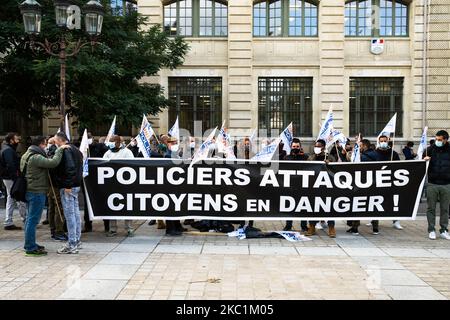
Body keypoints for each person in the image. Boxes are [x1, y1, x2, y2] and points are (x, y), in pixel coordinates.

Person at [20, 136, 69, 256]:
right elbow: (53, 163)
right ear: (40, 145)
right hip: (36, 191)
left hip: (31, 190)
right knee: (33, 220)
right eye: (45, 144)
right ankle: (30, 247)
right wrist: (60, 149)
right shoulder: (35, 157)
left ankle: (30, 243)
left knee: (30, 219)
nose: (46, 147)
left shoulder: (27, 154)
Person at [53, 132, 84, 254]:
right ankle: (76, 240)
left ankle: (72, 244)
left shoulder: (66, 150)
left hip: (68, 186)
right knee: (75, 213)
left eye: (55, 141)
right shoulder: (75, 149)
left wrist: (67, 184)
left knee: (70, 215)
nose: (55, 143)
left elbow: (70, 168)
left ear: (60, 141)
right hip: (74, 185)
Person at [103, 135, 135, 237]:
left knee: (127, 206)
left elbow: (132, 166)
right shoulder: (108, 153)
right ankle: (113, 229)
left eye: (113, 142)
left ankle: (129, 228)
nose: (111, 144)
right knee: (113, 206)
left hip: (125, 185)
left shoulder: (127, 152)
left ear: (118, 143)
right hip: (112, 185)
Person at [306, 139, 337, 238]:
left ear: (323, 147)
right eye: (316, 146)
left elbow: (336, 167)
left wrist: (329, 163)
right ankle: (312, 226)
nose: (317, 148)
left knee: (329, 207)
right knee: (313, 207)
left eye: (319, 146)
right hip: (314, 186)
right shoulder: (311, 157)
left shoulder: (329, 157)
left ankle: (331, 227)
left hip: (327, 187)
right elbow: (306, 166)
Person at [347, 139, 379, 235]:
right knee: (373, 205)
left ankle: (355, 227)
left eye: (360, 146)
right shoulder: (375, 154)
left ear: (364, 146)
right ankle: (375, 228)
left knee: (357, 204)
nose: (358, 148)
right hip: (372, 184)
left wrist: (352, 156)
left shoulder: (363, 157)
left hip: (361, 183)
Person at [372, 135, 403, 232]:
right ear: (378, 142)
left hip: (390, 181)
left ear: (388, 141)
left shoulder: (393, 154)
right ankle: (374, 220)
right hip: (377, 181)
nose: (383, 142)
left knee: (393, 201)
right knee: (376, 201)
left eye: (385, 141)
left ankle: (396, 220)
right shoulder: (374, 153)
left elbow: (399, 166)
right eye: (381, 141)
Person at [423, 130, 450, 240]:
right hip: (432, 183)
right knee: (431, 208)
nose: (437, 141)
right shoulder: (429, 150)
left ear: (445, 140)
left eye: (439, 140)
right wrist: (424, 160)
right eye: (436, 139)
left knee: (445, 209)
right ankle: (431, 230)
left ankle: (444, 230)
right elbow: (420, 164)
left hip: (446, 184)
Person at [1, 132, 27, 230]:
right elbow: (11, 165)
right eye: (16, 139)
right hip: (11, 178)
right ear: (11, 140)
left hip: (8, 178)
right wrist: (16, 178)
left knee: (11, 198)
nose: (18, 141)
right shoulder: (8, 150)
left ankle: (8, 221)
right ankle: (26, 219)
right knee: (19, 198)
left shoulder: (6, 149)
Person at [283, 138, 309, 232]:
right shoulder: (286, 158)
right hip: (290, 185)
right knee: (289, 206)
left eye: (297, 146)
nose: (295, 148)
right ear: (291, 147)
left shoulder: (305, 157)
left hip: (303, 185)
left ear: (300, 147)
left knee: (303, 206)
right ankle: (288, 225)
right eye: (294, 146)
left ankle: (304, 225)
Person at [164, 136, 185, 236]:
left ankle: (177, 225)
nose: (175, 145)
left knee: (176, 207)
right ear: (168, 144)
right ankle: (170, 228)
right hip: (170, 186)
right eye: (172, 143)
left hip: (177, 185)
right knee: (170, 207)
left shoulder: (176, 154)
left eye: (176, 143)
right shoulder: (168, 156)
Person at [47, 137, 67, 241]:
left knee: (52, 208)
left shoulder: (47, 152)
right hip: (55, 184)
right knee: (58, 207)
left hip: (50, 184)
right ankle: (58, 231)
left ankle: (53, 229)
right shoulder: (56, 152)